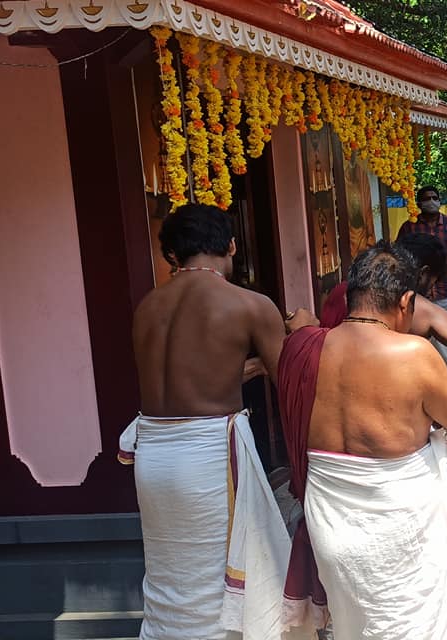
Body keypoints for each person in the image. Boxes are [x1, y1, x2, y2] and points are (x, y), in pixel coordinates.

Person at [277, 241, 447, 638]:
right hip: (401, 531)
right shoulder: (412, 353)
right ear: (406, 301)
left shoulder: (304, 348)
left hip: (332, 531)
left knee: (356, 624)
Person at [125, 203, 317, 638]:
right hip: (207, 456)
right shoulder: (249, 304)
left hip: (152, 455)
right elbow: (287, 377)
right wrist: (301, 333)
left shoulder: (148, 307)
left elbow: (195, 373)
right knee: (222, 577)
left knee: (171, 575)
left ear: (171, 256)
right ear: (231, 245)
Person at [318, 233, 447, 399]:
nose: (431, 292)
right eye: (433, 282)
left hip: (331, 398)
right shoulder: (424, 309)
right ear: (423, 273)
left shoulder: (342, 292)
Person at [395, 186, 447, 386]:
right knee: (419, 336)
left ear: (440, 200)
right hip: (419, 294)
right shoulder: (408, 227)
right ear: (418, 204)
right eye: (426, 198)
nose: (431, 201)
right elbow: (399, 256)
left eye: (434, 197)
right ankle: (429, 380)